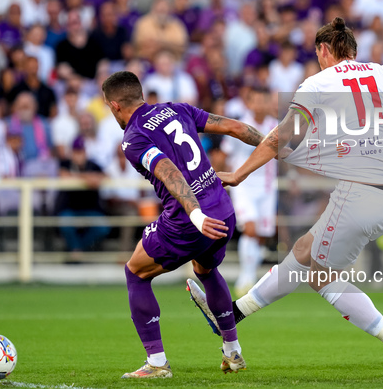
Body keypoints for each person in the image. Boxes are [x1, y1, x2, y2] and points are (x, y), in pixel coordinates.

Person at [188, 17, 383, 377]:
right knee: (303, 252)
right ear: (353, 49)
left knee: (319, 276)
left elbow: (278, 138)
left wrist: (239, 174)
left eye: (317, 53)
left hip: (358, 193)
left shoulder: (318, 83)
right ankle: (232, 313)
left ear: (324, 50)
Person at [101, 71, 268, 378]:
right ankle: (233, 353)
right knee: (205, 268)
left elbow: (168, 171)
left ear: (114, 106)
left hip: (190, 220)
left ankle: (157, 363)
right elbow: (235, 127)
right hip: (223, 209)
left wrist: (195, 214)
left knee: (135, 271)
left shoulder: (134, 137)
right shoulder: (177, 109)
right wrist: (273, 146)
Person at [220, 87, 278, 297]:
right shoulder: (240, 126)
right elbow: (226, 154)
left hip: (268, 187)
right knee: (251, 229)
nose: (261, 105)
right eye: (257, 101)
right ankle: (246, 279)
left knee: (262, 235)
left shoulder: (275, 126)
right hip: (243, 185)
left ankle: (251, 277)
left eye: (265, 100)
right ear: (249, 103)